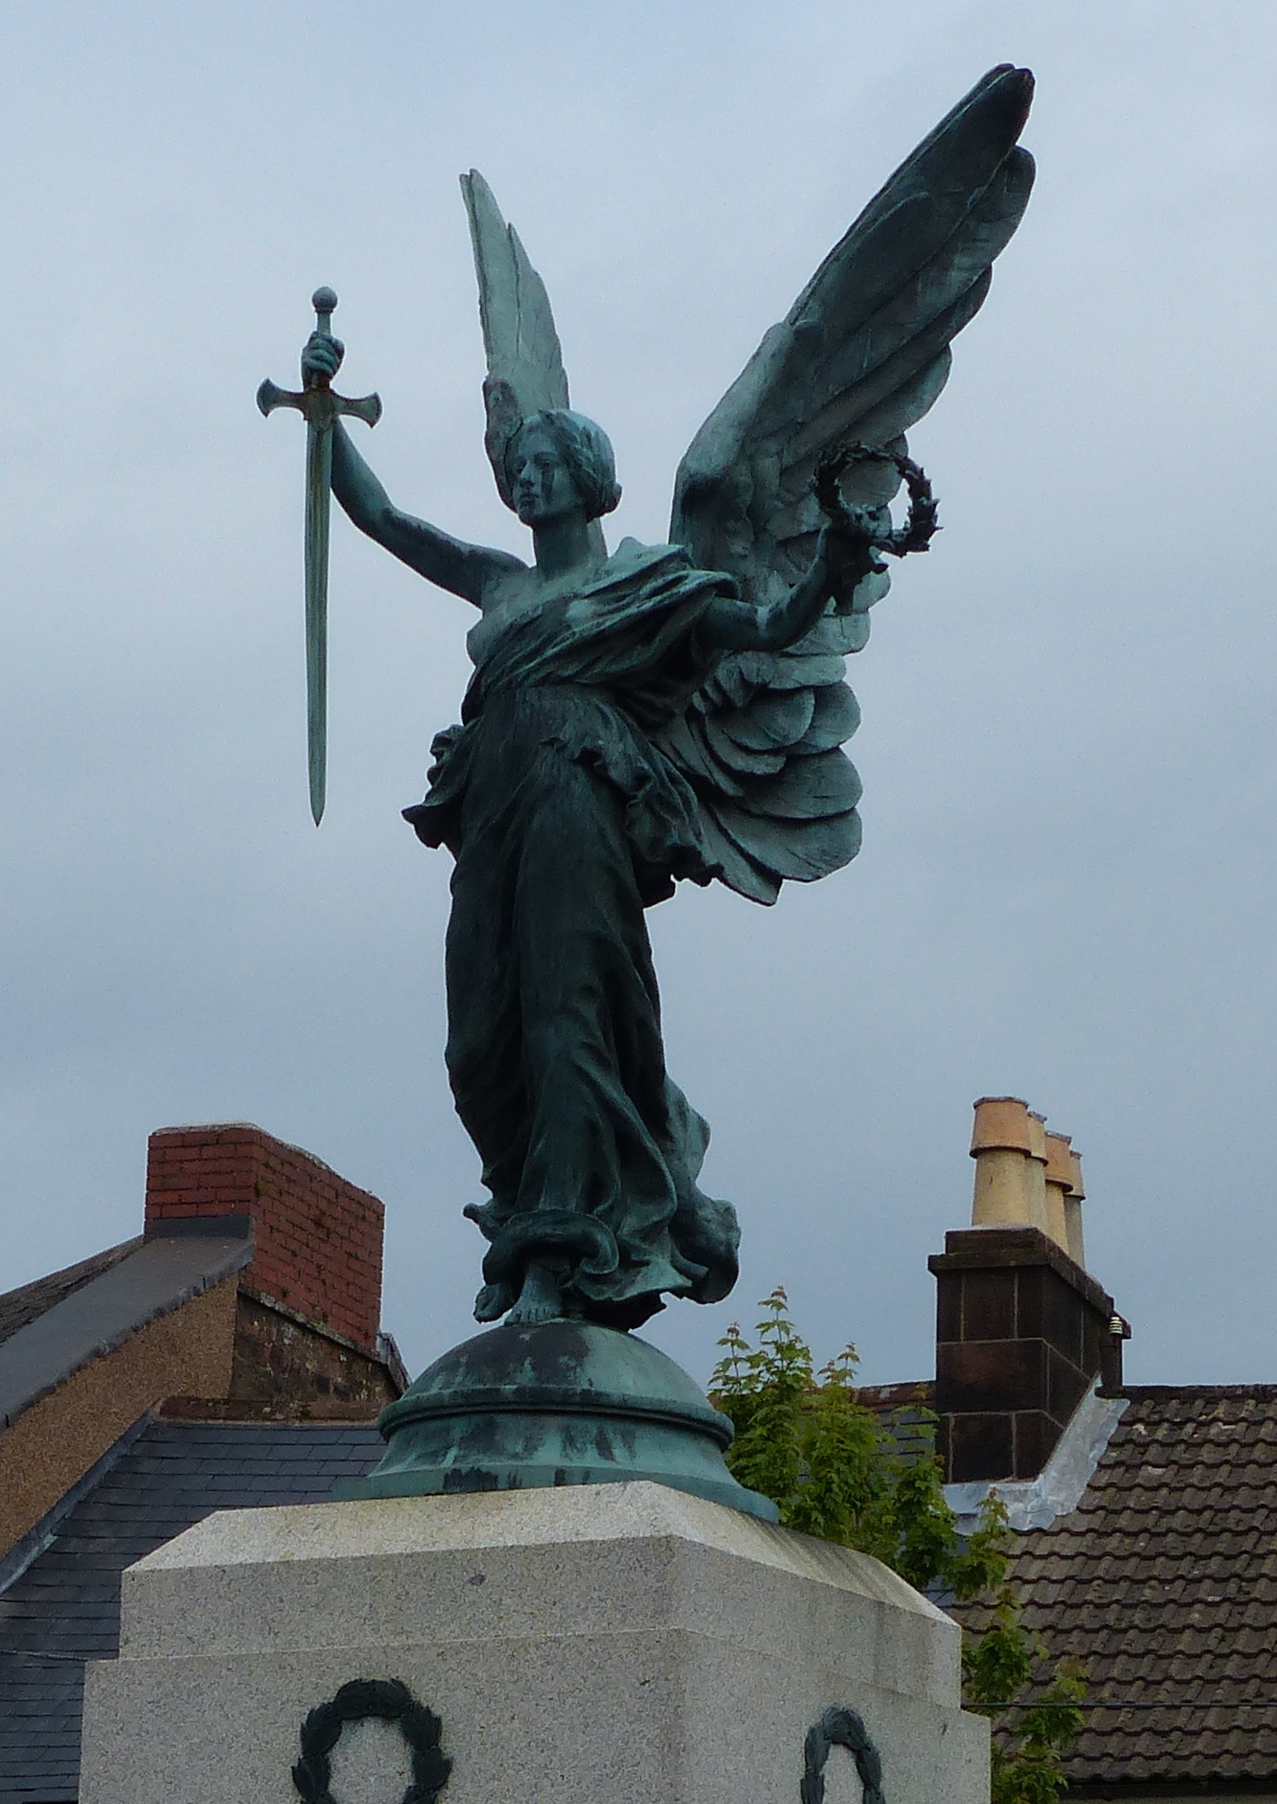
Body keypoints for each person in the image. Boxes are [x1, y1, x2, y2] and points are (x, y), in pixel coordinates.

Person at [325, 392, 873, 1329]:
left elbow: (765, 628)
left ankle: (557, 1248)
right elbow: (382, 518)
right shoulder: (500, 584)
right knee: (478, 1046)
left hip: (576, 797)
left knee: (565, 1021)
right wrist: (323, 419)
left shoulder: (645, 586)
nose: (528, 479)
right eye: (520, 468)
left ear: (589, 480)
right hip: (493, 815)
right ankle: (564, 1201)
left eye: (547, 464)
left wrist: (831, 566)